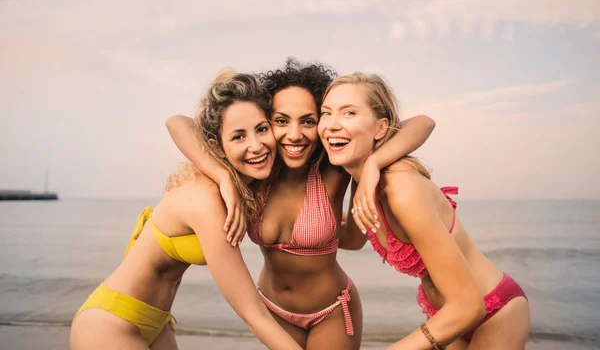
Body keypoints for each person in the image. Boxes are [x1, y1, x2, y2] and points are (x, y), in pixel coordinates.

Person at [166, 58, 436, 349]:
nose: (294, 135)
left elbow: (423, 123)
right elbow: (177, 123)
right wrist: (222, 177)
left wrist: (373, 165)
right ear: (266, 122)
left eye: (308, 121)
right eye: (281, 121)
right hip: (271, 309)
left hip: (332, 312)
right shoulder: (255, 171)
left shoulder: (332, 169)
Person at [70, 71, 303, 350]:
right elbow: (252, 313)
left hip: (158, 323)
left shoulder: (246, 185)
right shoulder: (206, 200)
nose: (256, 145)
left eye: (262, 129)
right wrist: (224, 177)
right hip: (111, 322)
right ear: (217, 147)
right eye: (238, 136)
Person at [318, 72, 530, 350]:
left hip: (491, 311)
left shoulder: (402, 190)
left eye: (349, 113)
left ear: (380, 128)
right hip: (445, 315)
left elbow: (469, 307)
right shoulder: (361, 184)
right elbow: (352, 239)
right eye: (326, 113)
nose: (332, 125)